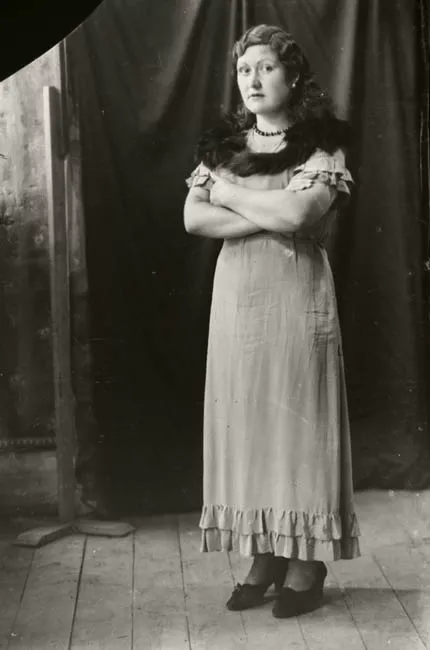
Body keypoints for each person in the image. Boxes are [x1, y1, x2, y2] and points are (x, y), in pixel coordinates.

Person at [183, 24, 361, 619]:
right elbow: (193, 218)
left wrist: (229, 195)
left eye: (265, 68)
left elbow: (301, 213)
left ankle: (306, 563)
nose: (253, 80)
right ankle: (264, 556)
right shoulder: (225, 146)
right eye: (244, 70)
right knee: (250, 429)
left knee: (297, 430)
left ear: (293, 75)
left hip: (295, 297)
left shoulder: (319, 146)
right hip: (237, 301)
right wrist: (266, 209)